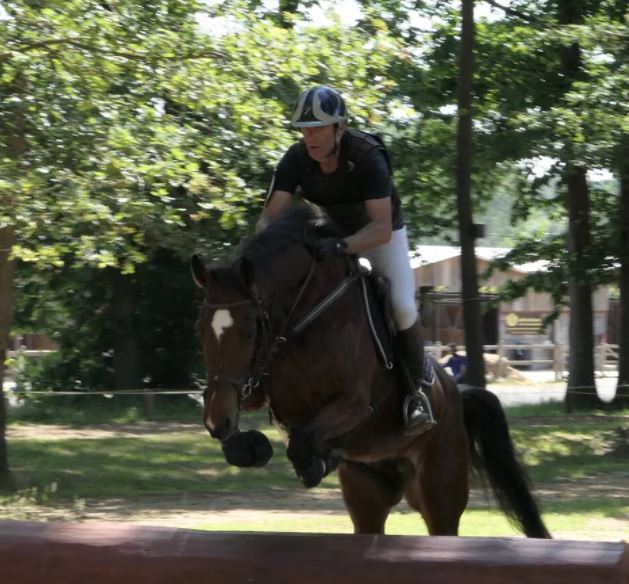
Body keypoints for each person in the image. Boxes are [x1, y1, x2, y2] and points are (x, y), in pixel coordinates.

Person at [256, 85, 436, 435]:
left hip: (380, 236)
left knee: (401, 305)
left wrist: (341, 247)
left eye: (320, 128)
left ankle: (415, 394)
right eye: (306, 129)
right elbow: (268, 218)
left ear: (339, 128)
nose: (311, 136)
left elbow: (381, 227)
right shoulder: (295, 159)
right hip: (331, 235)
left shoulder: (368, 156)